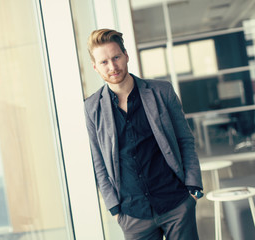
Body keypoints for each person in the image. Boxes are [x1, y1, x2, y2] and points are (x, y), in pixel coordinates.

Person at [84, 28, 204, 240]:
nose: (112, 67)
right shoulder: (92, 108)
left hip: (176, 203)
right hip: (133, 215)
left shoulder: (161, 91)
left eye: (116, 57)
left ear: (126, 55)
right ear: (95, 66)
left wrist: (192, 186)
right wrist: (114, 208)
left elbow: (185, 139)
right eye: (104, 62)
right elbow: (98, 162)